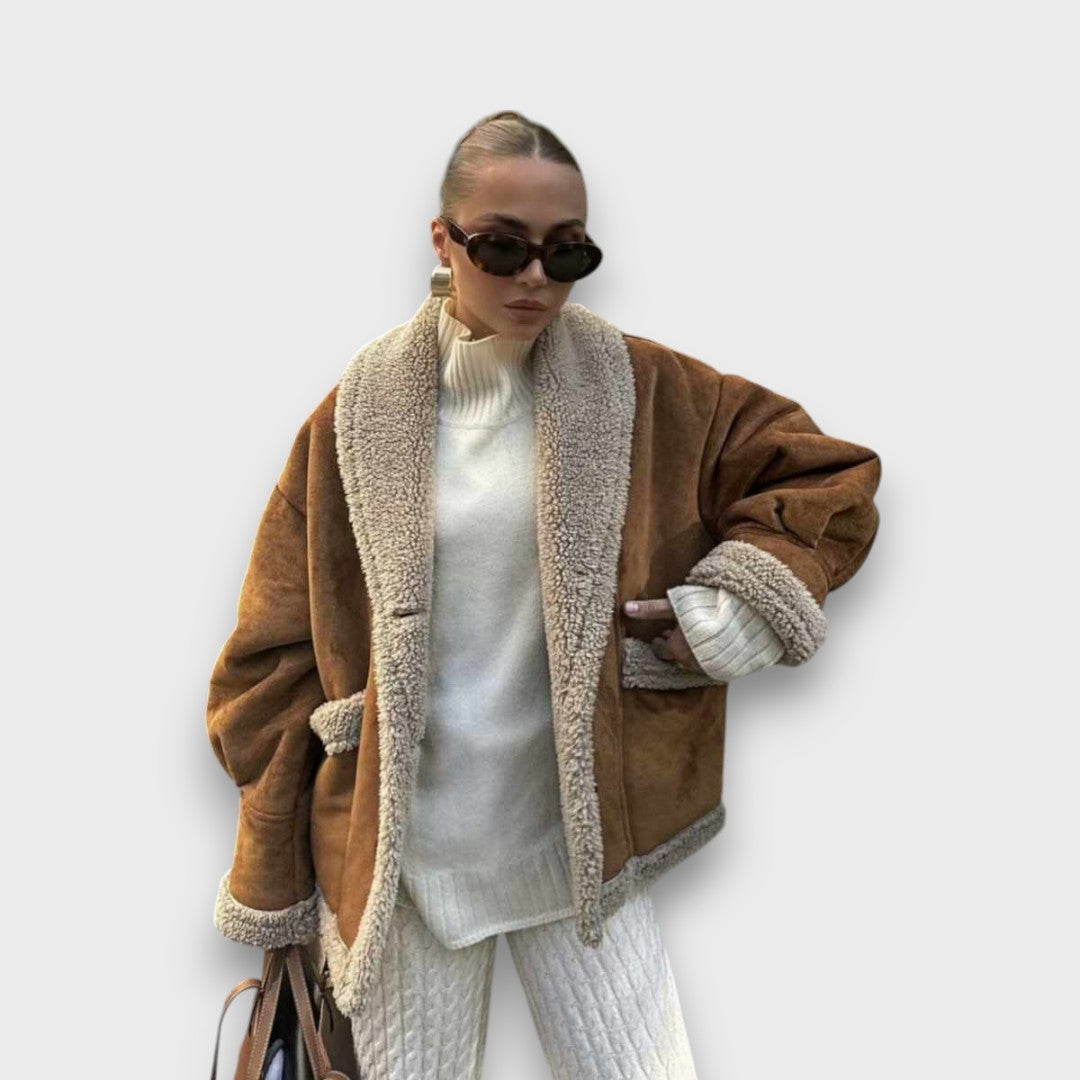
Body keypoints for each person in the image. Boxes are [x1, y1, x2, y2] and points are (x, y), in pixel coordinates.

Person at [205, 110, 882, 1080]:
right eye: (502, 246)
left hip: (584, 848)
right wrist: (279, 876)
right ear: (442, 241)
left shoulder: (646, 389)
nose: (535, 278)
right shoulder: (356, 417)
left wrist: (735, 611)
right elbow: (267, 670)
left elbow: (828, 478)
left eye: (567, 253)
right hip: (405, 868)